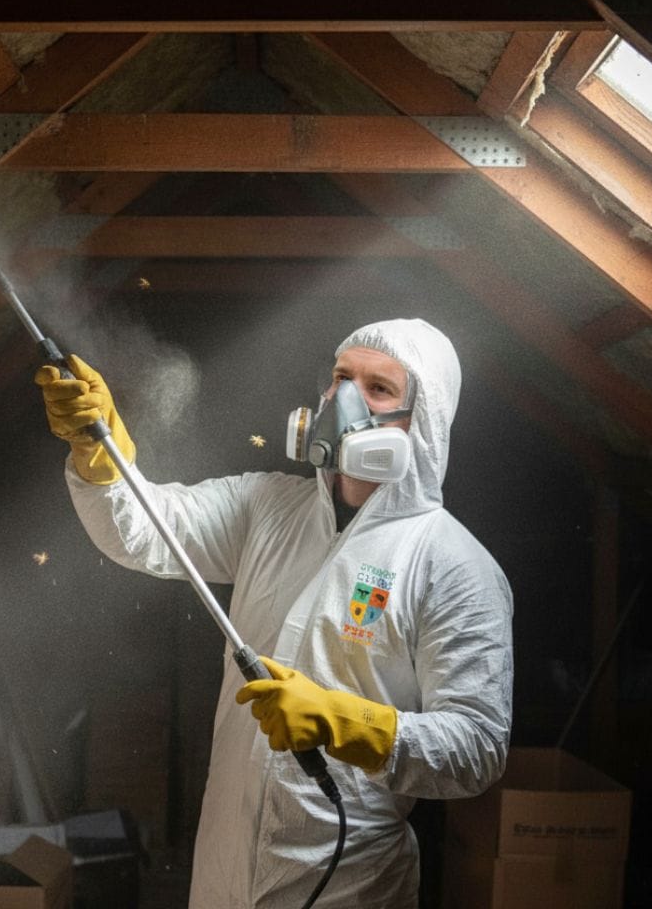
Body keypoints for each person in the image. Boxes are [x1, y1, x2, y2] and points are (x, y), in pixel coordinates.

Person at [35, 318, 513, 909]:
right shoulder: (268, 506)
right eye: (341, 377)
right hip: (224, 866)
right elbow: (147, 532)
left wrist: (347, 723)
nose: (345, 400)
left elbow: (476, 747)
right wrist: (100, 453)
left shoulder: (453, 565)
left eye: (379, 389)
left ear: (425, 422)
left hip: (347, 881)